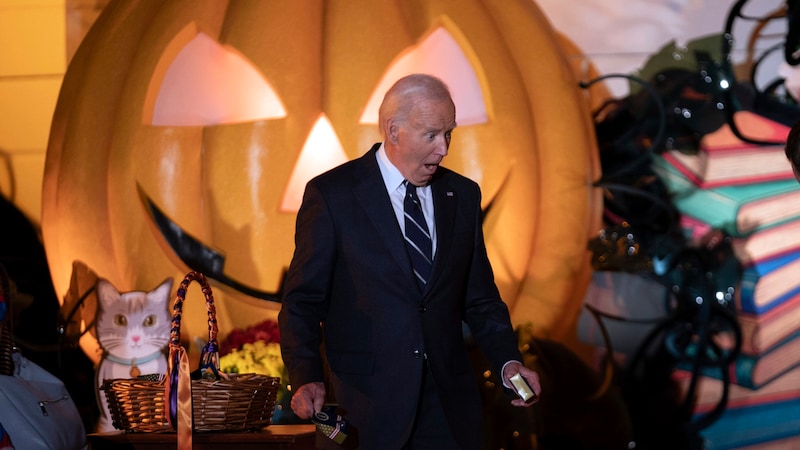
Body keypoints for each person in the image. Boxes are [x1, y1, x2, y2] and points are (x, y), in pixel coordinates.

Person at [278, 73, 541, 449]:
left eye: (449, 133)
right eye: (432, 134)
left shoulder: (462, 195)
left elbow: (480, 298)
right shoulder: (332, 195)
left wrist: (507, 362)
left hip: (449, 411)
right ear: (393, 130)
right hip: (365, 411)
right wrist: (306, 376)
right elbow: (302, 301)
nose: (444, 149)